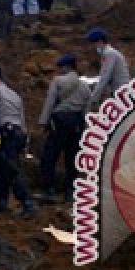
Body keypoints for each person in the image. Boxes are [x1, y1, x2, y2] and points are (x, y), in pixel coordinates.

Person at [38, 54, 90, 202]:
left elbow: (50, 102)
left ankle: (49, 190)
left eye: (61, 67)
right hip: (77, 124)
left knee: (49, 156)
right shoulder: (84, 86)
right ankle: (70, 192)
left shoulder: (58, 81)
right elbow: (87, 109)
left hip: (59, 122)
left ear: (66, 67)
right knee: (72, 158)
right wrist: (84, 128)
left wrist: (43, 121)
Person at [0, 67, 36, 217]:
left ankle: (27, 202)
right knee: (1, 169)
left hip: (5, 134)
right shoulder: (14, 94)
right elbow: (21, 118)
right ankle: (1, 202)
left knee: (10, 169)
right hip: (18, 133)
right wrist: (25, 139)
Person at [86, 28, 130, 109]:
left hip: (121, 93)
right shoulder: (109, 53)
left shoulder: (109, 53)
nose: (92, 47)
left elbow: (104, 77)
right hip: (119, 91)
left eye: (93, 43)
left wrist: (94, 98)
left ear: (100, 42)